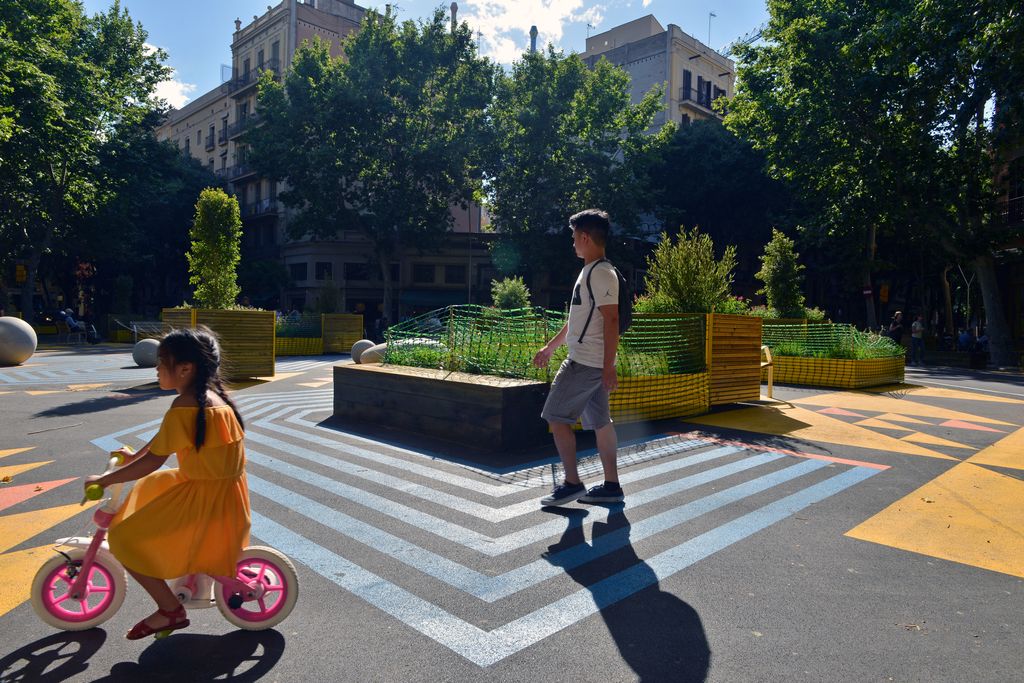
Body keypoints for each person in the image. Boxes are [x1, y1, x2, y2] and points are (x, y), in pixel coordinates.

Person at [84, 327, 250, 640]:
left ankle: (170, 610)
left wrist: (106, 479)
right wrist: (133, 458)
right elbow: (165, 441)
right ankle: (182, 580)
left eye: (162, 362)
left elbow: (154, 460)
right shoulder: (210, 399)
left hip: (204, 497)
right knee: (155, 490)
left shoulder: (187, 405)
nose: (157, 369)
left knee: (124, 538)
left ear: (185, 369)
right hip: (218, 491)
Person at [533, 208, 622, 506]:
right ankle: (611, 486)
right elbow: (577, 320)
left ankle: (572, 483)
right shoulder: (591, 271)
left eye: (574, 237)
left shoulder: (601, 273)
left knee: (555, 418)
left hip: (584, 363)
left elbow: (612, 320)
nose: (572, 243)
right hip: (593, 363)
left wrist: (609, 367)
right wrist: (551, 347)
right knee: (600, 422)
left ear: (585, 237)